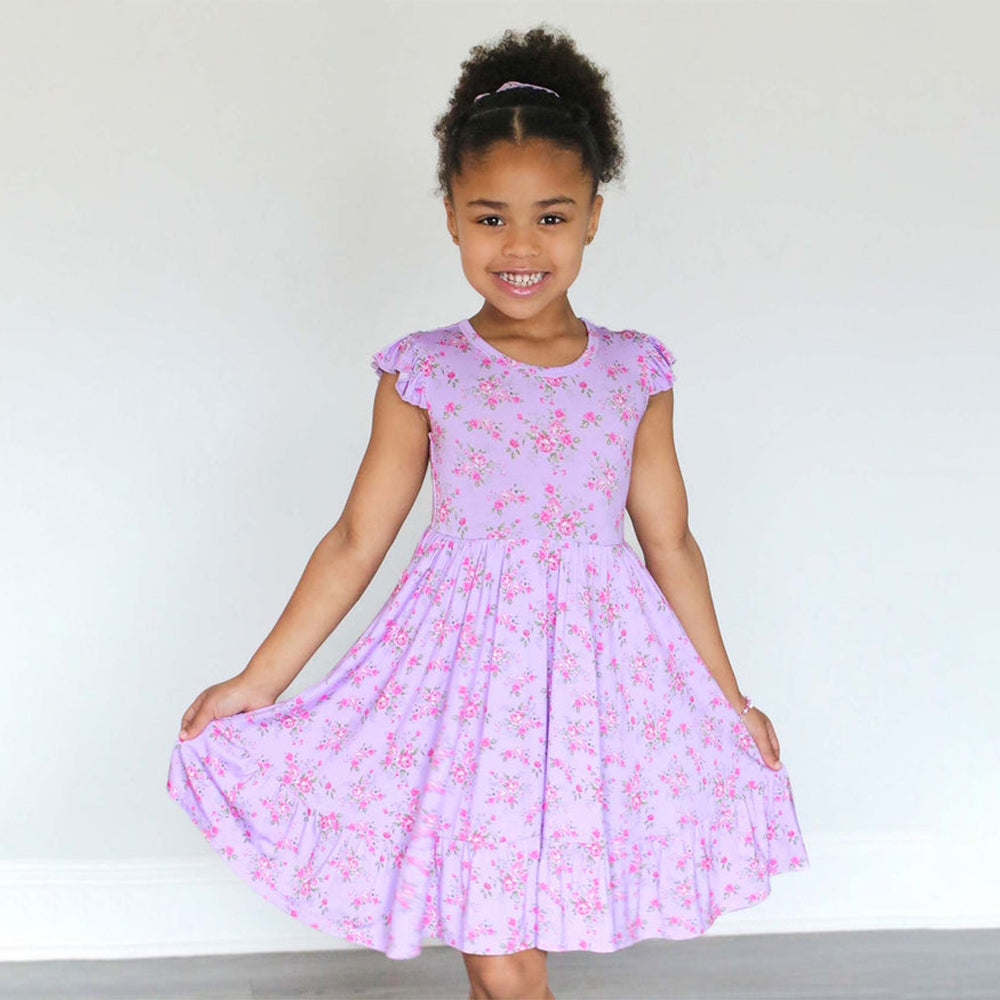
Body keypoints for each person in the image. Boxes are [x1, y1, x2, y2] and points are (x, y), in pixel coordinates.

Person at [167, 24, 809, 1000]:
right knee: (503, 953)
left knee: (508, 938)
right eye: (489, 217)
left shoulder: (635, 371)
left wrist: (726, 700)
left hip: (589, 685)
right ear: (451, 219)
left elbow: (669, 541)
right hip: (460, 686)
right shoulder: (425, 372)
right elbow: (354, 541)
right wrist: (259, 680)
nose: (518, 247)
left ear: (594, 215)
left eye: (550, 218)